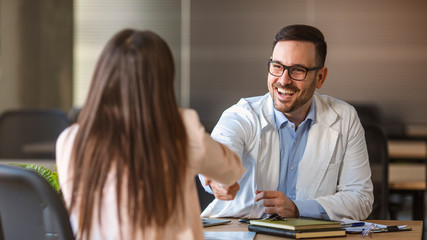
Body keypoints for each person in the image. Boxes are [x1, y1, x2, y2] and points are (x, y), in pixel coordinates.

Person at [55, 29, 245, 240]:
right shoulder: (180, 129)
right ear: (163, 82)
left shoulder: (69, 141)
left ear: (103, 77)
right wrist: (209, 169)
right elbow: (232, 170)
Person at [199, 24, 373, 221]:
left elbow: (361, 198)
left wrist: (298, 208)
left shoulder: (345, 118)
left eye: (298, 70)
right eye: (277, 66)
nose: (283, 80)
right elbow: (221, 149)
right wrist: (218, 176)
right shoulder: (242, 114)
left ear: (320, 77)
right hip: (240, 231)